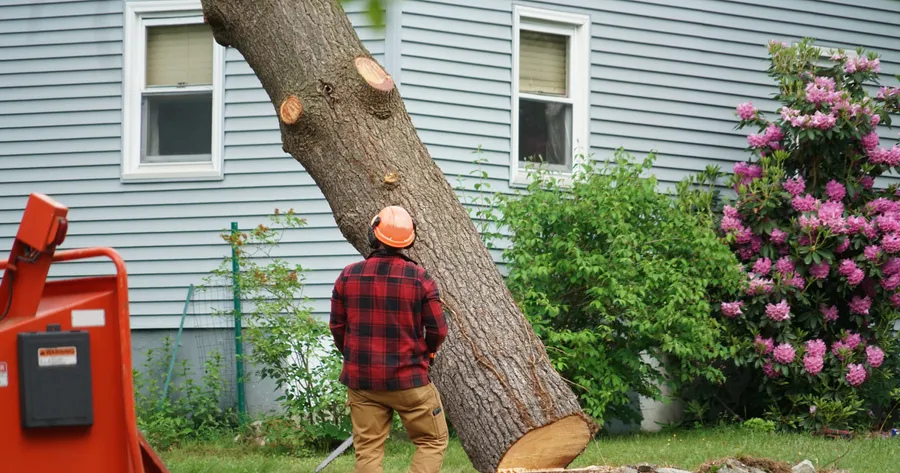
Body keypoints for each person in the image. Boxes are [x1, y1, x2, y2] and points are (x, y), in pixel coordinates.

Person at [329, 205, 450, 473]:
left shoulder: (347, 275)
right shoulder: (420, 278)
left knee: (368, 449)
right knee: (433, 440)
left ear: (374, 235)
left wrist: (352, 356)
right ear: (410, 239)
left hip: (362, 382)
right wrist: (428, 354)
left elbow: (337, 327)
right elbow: (438, 330)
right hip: (409, 381)